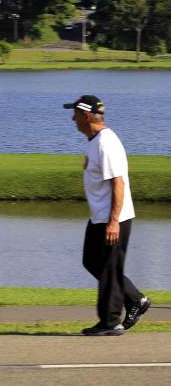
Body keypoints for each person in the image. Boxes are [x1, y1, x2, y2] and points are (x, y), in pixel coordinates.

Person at [65, 95, 150, 336]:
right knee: (92, 261)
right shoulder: (94, 141)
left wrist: (114, 221)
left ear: (87, 116)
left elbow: (118, 183)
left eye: (76, 114)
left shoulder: (106, 142)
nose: (72, 119)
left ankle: (111, 322)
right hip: (99, 217)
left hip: (114, 218)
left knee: (110, 268)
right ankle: (135, 299)